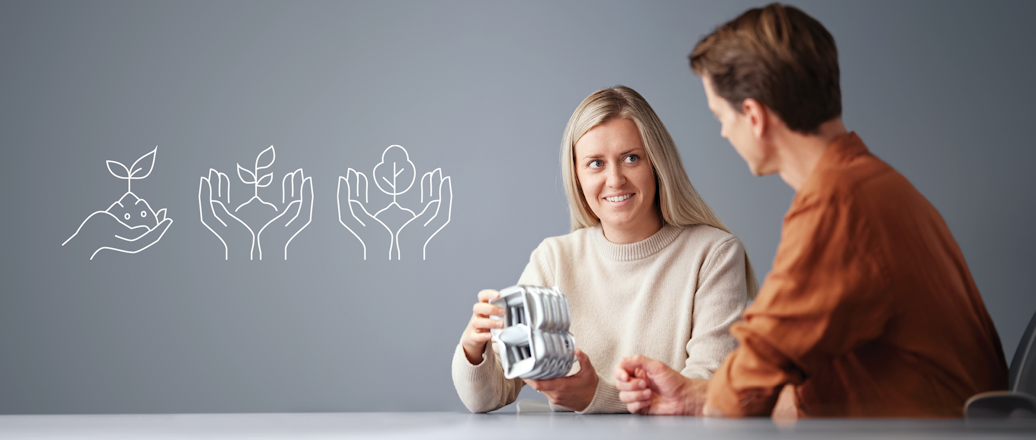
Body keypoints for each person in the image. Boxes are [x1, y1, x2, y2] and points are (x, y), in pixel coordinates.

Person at [614, 3, 1009, 418]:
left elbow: (756, 369)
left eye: (721, 115)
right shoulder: (874, 184)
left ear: (754, 115)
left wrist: (722, 397)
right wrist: (694, 396)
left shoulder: (838, 205)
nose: (723, 131)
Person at [451, 86, 759, 413]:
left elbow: (709, 387)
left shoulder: (714, 253)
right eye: (596, 163)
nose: (615, 179)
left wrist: (597, 397)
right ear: (577, 177)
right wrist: (474, 348)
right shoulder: (554, 259)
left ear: (656, 163)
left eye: (631, 158)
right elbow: (486, 398)